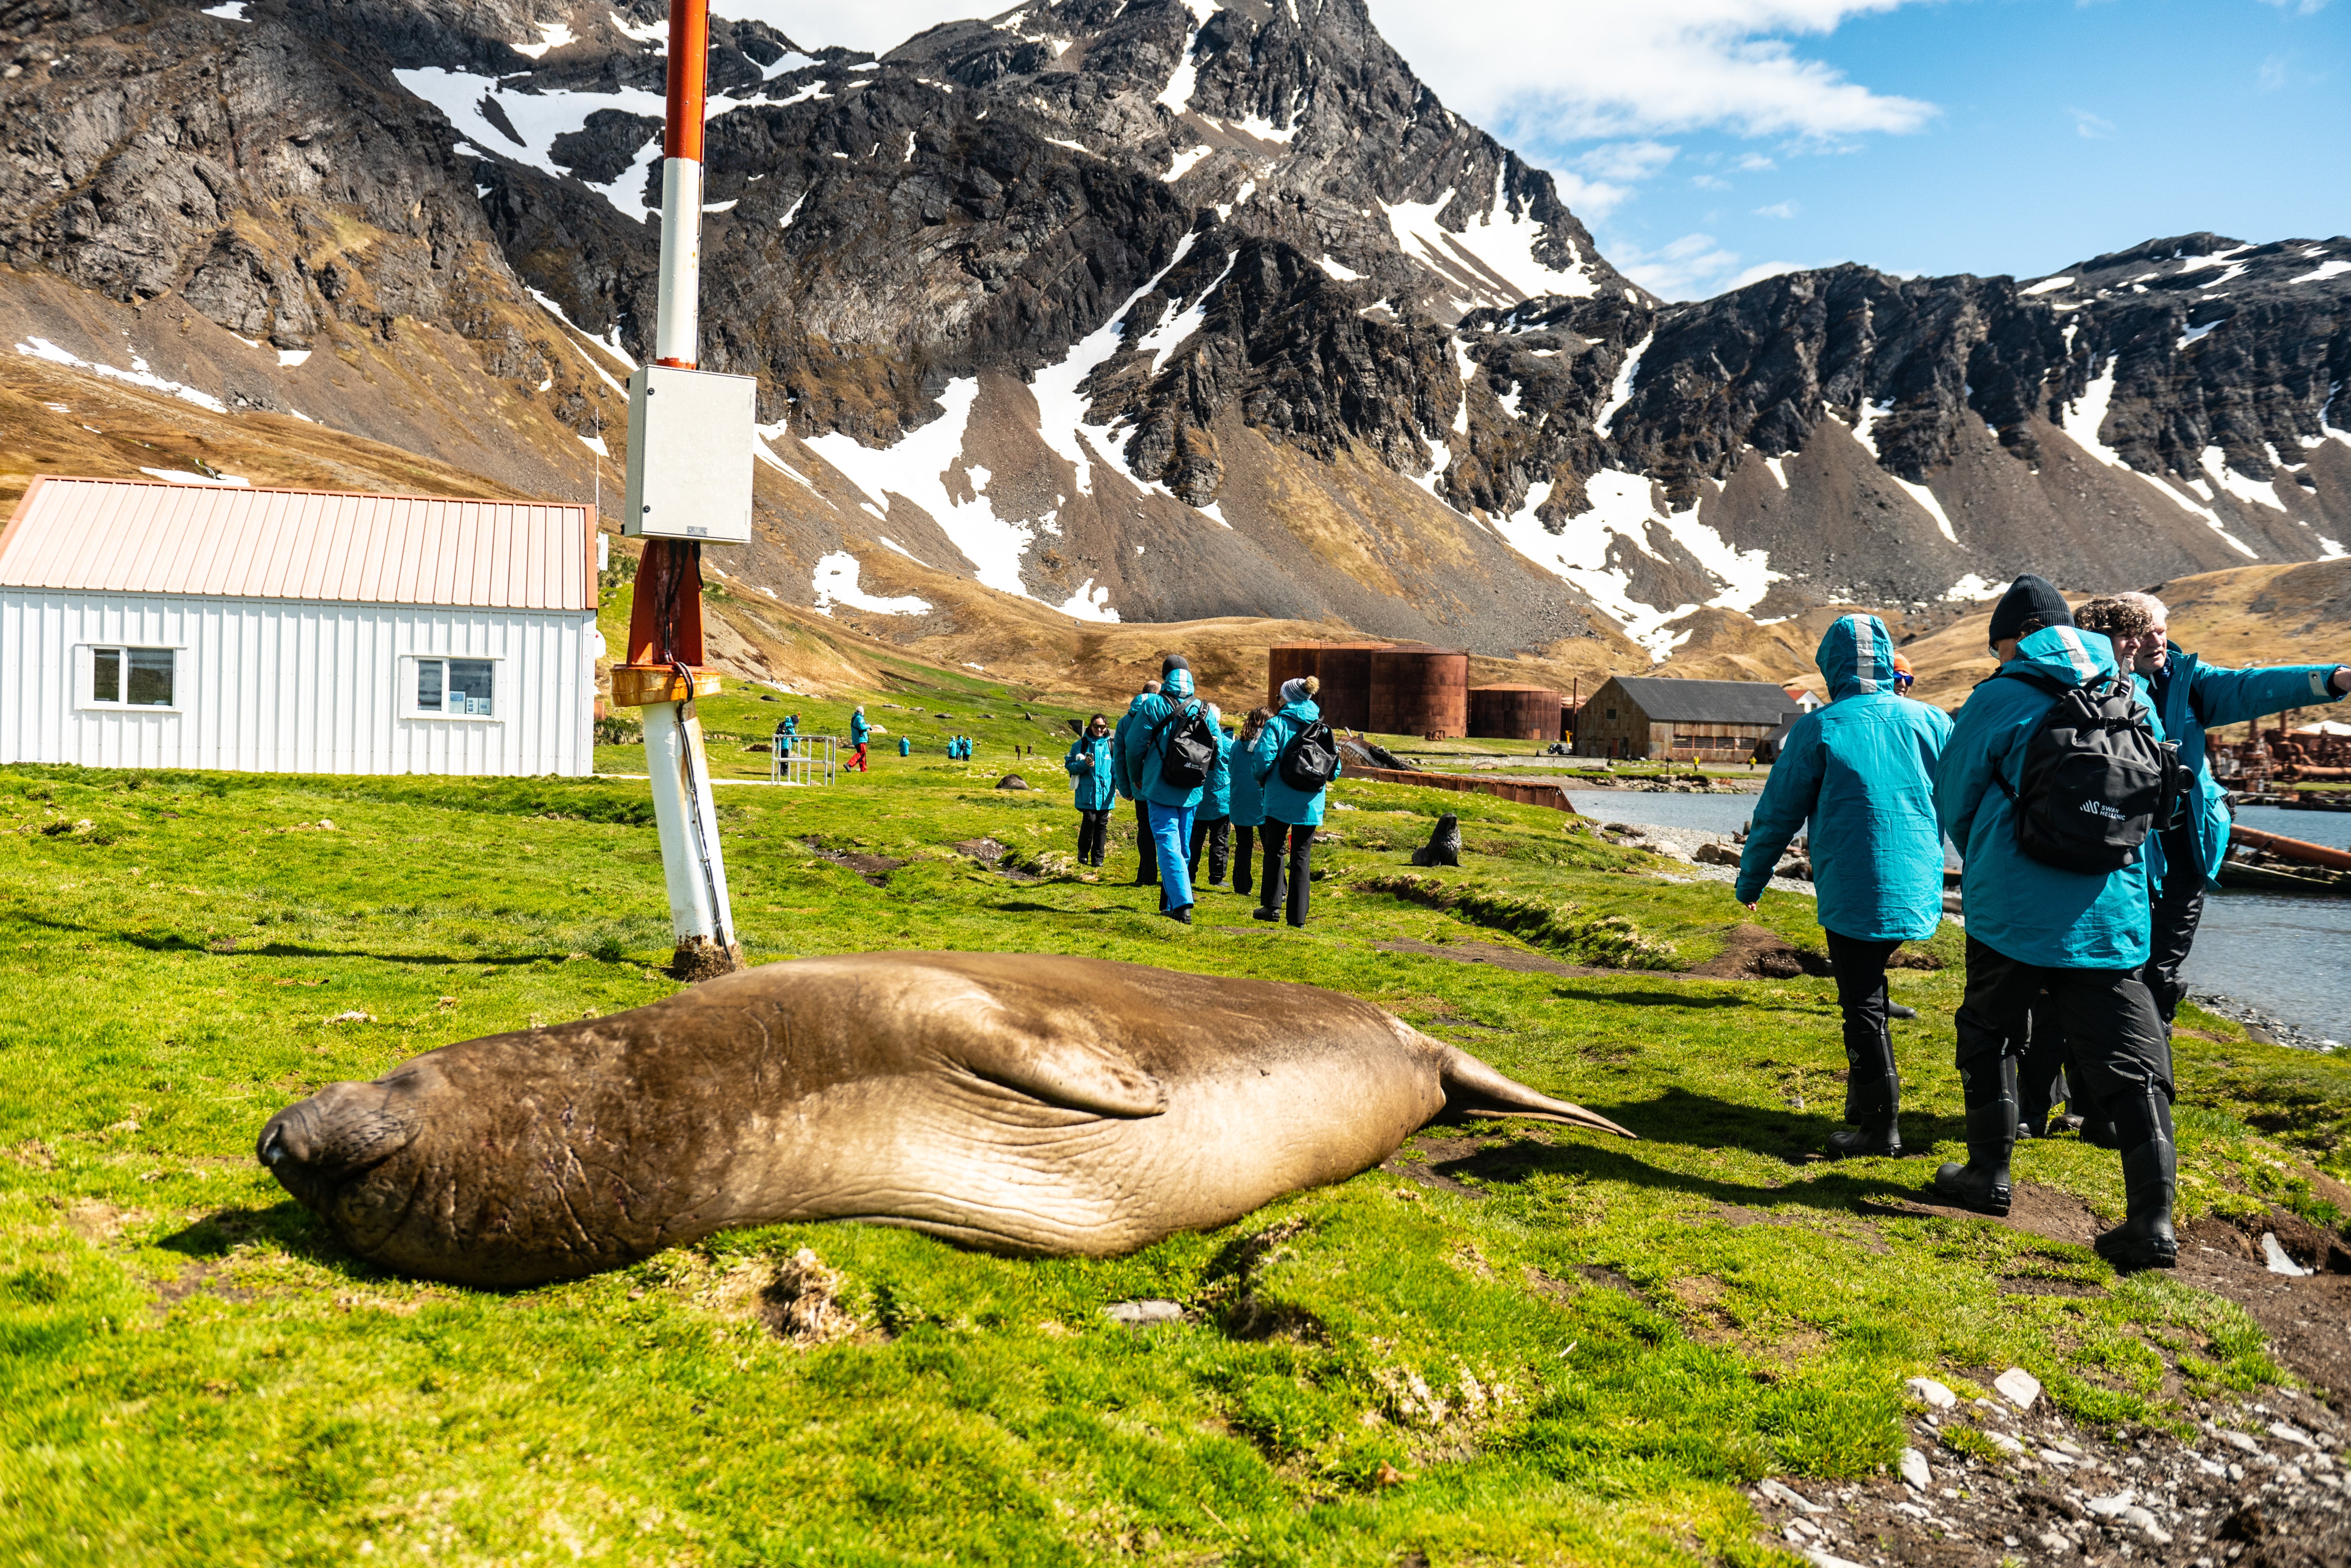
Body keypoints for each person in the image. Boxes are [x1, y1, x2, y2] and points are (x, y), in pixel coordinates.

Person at [1933, 575, 2176, 1269]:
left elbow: (1955, 797)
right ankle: (2153, 1219)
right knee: (2134, 1062)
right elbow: (2154, 803)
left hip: (2011, 904)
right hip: (2110, 910)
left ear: (2014, 641)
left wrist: (1989, 857)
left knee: (1990, 1032)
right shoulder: (2131, 693)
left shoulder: (1999, 695)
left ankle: (1989, 1174)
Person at [1734, 615, 1953, 1159]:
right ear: (1886, 660)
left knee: (1862, 1003)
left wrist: (1751, 879)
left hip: (1854, 887)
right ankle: (1863, 1110)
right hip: (1918, 889)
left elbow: (1776, 814)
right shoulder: (1933, 722)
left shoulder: (1819, 728)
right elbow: (1970, 807)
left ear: (1830, 668)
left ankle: (1879, 1130)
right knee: (1871, 993)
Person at [2103, 590, 2349, 1025]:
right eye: (2142, 634)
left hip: (2185, 849)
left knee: (2162, 970)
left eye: (2161, 630)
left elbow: (2252, 687)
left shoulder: (2188, 681)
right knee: (2115, 970)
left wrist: (2334, 679)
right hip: (2121, 853)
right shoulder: (2095, 687)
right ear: (2117, 640)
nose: (2156, 641)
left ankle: (2152, 1062)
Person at [1123, 659, 1207, 922]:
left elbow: (1134, 747)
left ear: (1165, 677)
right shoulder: (1203, 708)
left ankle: (1181, 905)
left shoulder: (1153, 705)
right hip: (1191, 789)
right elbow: (1218, 752)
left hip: (1160, 786)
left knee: (1167, 841)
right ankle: (1171, 903)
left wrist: (1137, 778)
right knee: (1182, 845)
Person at [1253, 676, 1340, 927]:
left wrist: (1261, 780)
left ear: (1288, 697)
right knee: (1301, 856)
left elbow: (1261, 762)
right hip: (1310, 803)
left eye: (1280, 695)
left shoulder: (1277, 725)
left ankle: (1271, 907)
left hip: (1279, 799)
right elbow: (1334, 770)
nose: (1278, 699)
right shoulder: (1323, 729)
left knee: (1275, 850)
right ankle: (1298, 918)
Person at [1112, 678, 1164, 888]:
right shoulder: (1163, 713)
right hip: (1161, 782)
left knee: (1145, 829)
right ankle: (1168, 875)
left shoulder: (1125, 721)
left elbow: (1120, 756)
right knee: (1165, 828)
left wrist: (1126, 788)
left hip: (1139, 785)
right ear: (1158, 694)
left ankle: (1146, 874)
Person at [1228, 707, 1273, 901]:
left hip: (1240, 800)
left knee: (1243, 845)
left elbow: (1231, 769)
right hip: (1262, 800)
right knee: (1271, 847)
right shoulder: (1268, 745)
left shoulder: (1237, 746)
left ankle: (1242, 885)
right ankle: (1276, 887)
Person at [1188, 706, 1233, 889]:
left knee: (1194, 840)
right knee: (1220, 840)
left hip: (1198, 798)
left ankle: (1189, 873)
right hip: (1221, 800)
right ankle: (1217, 877)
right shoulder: (1228, 745)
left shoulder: (1193, 742)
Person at [1065, 713, 1115, 870]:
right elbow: (1070, 766)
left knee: (1102, 825)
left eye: (1102, 726)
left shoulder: (1112, 746)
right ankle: (1083, 852)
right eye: (1096, 726)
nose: (1099, 729)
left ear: (1106, 727)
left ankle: (1098, 859)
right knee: (1090, 820)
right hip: (1087, 794)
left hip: (1106, 794)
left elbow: (1117, 770)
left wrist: (1125, 788)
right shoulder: (1080, 745)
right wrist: (1084, 766)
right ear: (1090, 726)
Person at [847, 705, 869, 773]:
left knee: (863, 755)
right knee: (862, 754)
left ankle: (864, 770)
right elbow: (862, 727)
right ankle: (849, 765)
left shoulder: (854, 717)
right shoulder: (860, 718)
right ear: (861, 712)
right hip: (861, 738)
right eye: (864, 712)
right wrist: (869, 726)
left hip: (856, 739)